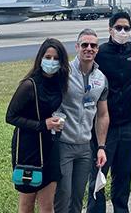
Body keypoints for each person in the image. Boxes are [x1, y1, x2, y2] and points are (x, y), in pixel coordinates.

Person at [6, 38, 70, 213]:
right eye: (47, 57)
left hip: (50, 146)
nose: (51, 61)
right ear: (40, 58)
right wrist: (43, 124)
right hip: (28, 148)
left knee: (47, 205)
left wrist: (54, 123)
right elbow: (10, 117)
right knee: (27, 204)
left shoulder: (59, 83)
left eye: (56, 58)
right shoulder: (29, 85)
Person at [87, 12, 131, 213]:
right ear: (110, 29)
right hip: (103, 126)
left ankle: (121, 209)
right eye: (118, 27)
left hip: (127, 123)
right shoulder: (101, 52)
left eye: (126, 28)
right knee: (99, 175)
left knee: (124, 174)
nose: (122, 31)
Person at [54, 29, 109, 213]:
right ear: (77, 47)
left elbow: (102, 115)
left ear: (97, 49)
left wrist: (101, 147)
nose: (89, 48)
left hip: (85, 146)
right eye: (84, 45)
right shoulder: (63, 73)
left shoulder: (101, 79)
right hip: (63, 144)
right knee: (63, 197)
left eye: (93, 45)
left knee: (78, 198)